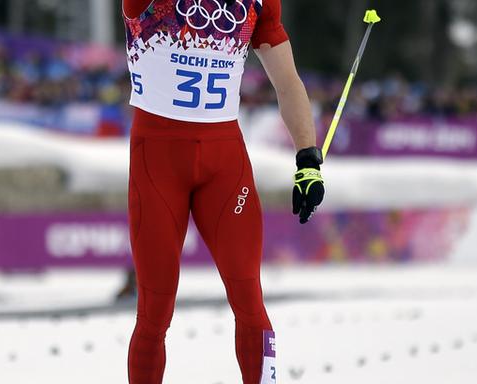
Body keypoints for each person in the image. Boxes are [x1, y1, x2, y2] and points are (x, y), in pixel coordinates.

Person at [122, 1, 325, 383]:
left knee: (250, 301)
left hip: (225, 162)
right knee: (155, 311)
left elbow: (287, 81)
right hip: (158, 161)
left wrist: (308, 159)